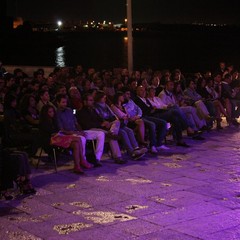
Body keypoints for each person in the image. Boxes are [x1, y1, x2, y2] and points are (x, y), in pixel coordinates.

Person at [55, 94, 105, 169]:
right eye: (63, 102)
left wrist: (81, 131)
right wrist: (77, 133)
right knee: (82, 138)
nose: (65, 104)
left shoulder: (69, 110)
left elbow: (76, 123)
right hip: (68, 134)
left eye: (66, 102)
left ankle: (97, 159)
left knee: (101, 134)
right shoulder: (57, 114)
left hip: (77, 132)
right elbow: (61, 130)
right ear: (57, 103)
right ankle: (83, 160)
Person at [111, 92, 148, 159]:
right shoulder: (113, 106)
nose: (123, 98)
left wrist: (126, 116)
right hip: (117, 126)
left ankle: (136, 149)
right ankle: (131, 152)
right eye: (122, 96)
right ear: (118, 97)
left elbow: (127, 116)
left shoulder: (123, 107)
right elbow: (121, 115)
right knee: (124, 133)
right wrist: (126, 116)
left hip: (124, 124)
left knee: (130, 131)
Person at [93, 91, 126, 164]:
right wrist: (105, 122)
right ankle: (118, 157)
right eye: (103, 98)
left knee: (117, 122)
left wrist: (110, 121)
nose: (105, 99)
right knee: (112, 138)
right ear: (99, 98)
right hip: (103, 124)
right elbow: (99, 117)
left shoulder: (106, 106)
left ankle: (112, 133)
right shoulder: (95, 107)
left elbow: (113, 115)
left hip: (110, 124)